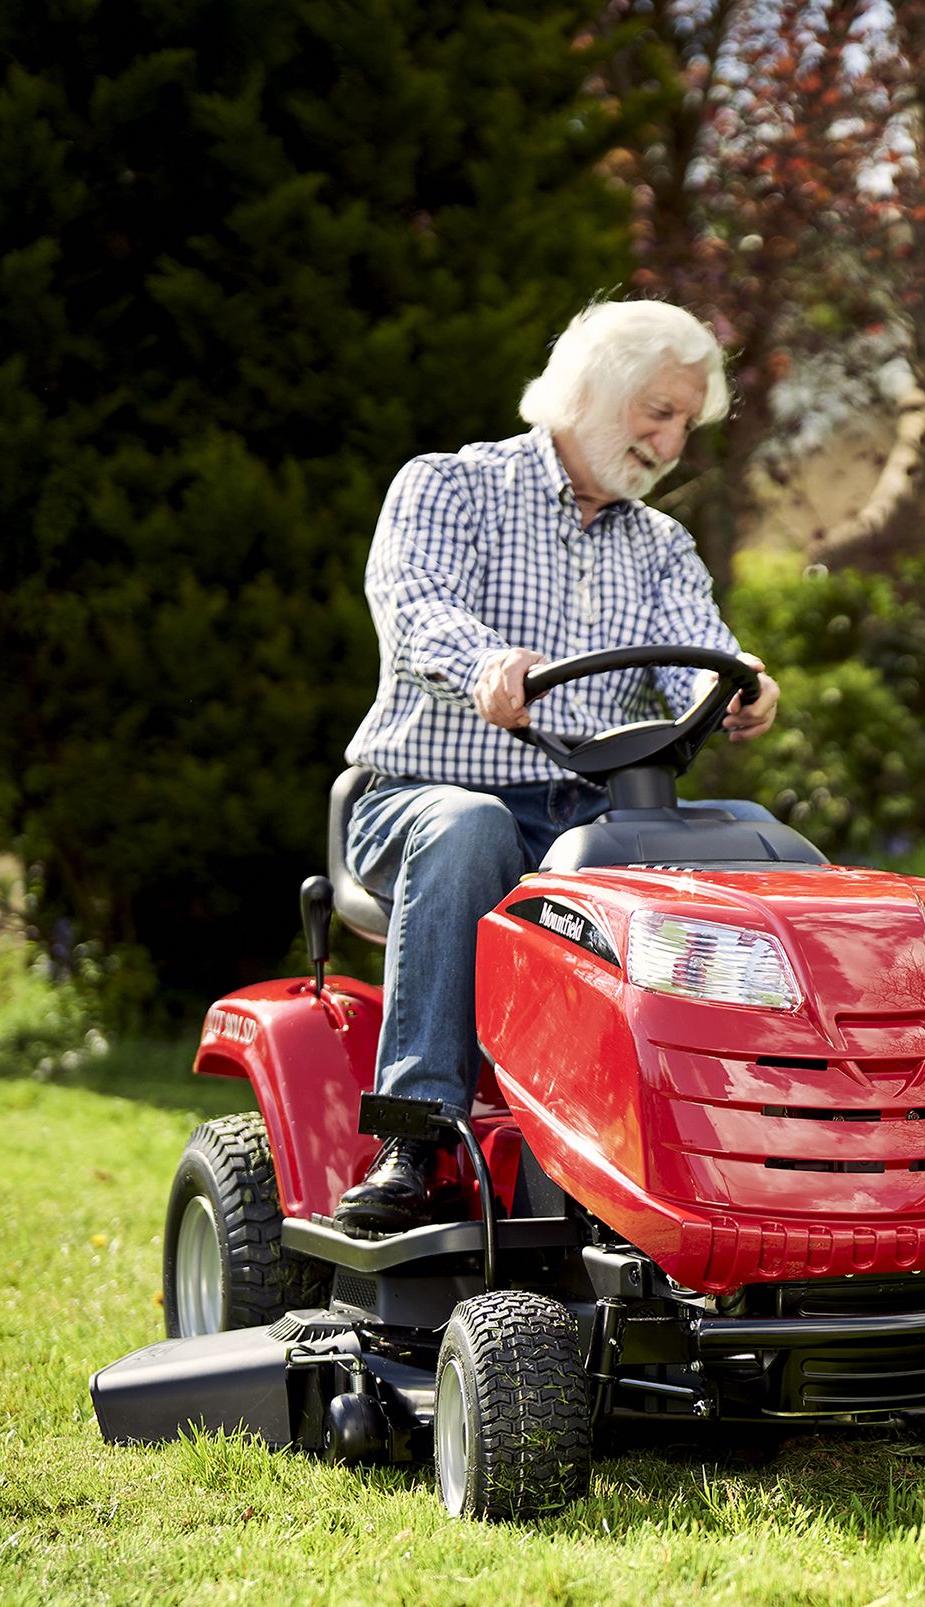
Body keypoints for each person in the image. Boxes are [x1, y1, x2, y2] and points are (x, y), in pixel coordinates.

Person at [333, 300, 780, 1233]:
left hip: (579, 818)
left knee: (746, 845)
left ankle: (748, 1136)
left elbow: (696, 645)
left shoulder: (659, 547)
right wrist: (485, 664)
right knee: (472, 825)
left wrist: (743, 684)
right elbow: (416, 608)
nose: (669, 443)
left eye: (683, 427)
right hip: (415, 803)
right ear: (592, 392)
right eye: (656, 413)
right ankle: (415, 1136)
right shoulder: (449, 488)